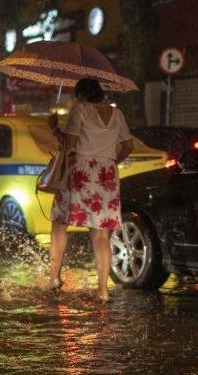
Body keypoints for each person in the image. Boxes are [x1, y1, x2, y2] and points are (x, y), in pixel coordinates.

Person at [47, 78, 134, 302]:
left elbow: (71, 144)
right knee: (101, 234)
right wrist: (111, 162)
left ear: (81, 96)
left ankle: (54, 278)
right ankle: (103, 291)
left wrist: (55, 129)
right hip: (107, 175)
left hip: (80, 172)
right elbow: (128, 146)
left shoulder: (81, 109)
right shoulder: (118, 114)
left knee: (59, 222)